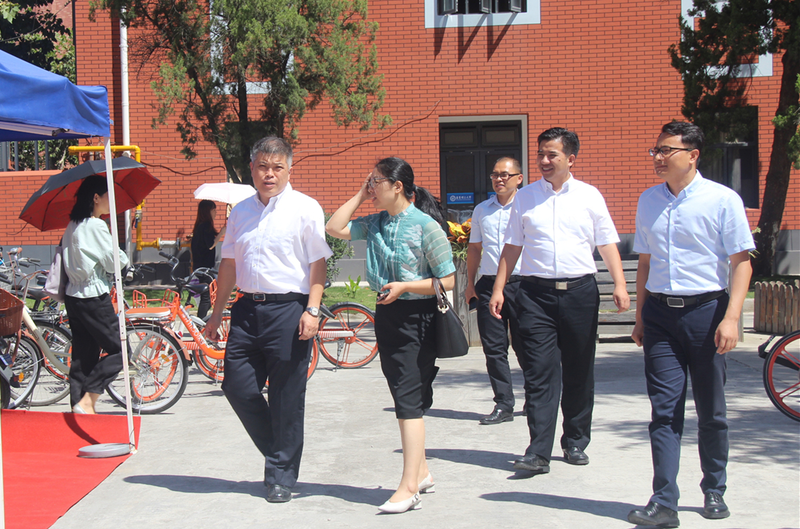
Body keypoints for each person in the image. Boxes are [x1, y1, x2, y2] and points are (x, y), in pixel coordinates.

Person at [627, 122, 754, 528]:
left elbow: (741, 263)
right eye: (656, 150)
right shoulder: (648, 200)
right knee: (664, 411)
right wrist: (641, 316)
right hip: (660, 317)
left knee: (711, 410)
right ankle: (664, 501)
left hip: (707, 314)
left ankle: (714, 488)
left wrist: (731, 318)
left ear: (693, 155)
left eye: (668, 150)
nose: (659, 157)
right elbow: (645, 263)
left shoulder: (722, 200)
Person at [489, 127, 630, 474]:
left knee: (579, 370)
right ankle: (538, 451)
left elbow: (606, 242)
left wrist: (620, 283)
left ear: (570, 158)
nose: (544, 160)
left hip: (580, 293)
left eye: (552, 154)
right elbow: (512, 245)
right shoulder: (525, 197)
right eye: (540, 154)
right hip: (535, 295)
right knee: (539, 372)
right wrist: (498, 288)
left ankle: (575, 440)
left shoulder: (589, 196)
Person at [203, 136, 331, 504]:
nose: (269, 174)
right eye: (262, 166)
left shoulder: (305, 208)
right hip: (246, 310)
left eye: (277, 167)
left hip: (289, 310)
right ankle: (280, 452)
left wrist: (312, 309)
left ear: (290, 169)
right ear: (252, 169)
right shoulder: (241, 211)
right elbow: (229, 264)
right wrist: (216, 313)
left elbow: (317, 263)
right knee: (237, 386)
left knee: (286, 396)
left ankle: (280, 477)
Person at [326, 157, 456, 514]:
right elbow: (334, 227)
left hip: (419, 317)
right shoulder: (375, 223)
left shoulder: (425, 226)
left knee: (408, 400)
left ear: (397, 186)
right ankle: (422, 472)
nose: (372, 187)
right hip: (388, 316)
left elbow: (448, 280)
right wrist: (360, 194)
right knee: (404, 395)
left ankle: (409, 487)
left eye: (377, 181)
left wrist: (406, 286)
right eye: (370, 181)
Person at [62, 175, 129, 414]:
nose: (113, 201)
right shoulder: (96, 226)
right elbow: (115, 262)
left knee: (83, 356)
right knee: (121, 352)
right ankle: (88, 401)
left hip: (73, 296)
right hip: (93, 297)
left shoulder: (72, 225)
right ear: (96, 198)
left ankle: (78, 408)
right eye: (109, 196)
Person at [465, 157, 524, 425]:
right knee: (494, 348)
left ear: (519, 178)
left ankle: (535, 399)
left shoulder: (528, 206)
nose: (499, 179)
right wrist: (470, 283)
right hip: (488, 285)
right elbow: (474, 248)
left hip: (523, 285)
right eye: (495, 175)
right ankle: (504, 404)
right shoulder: (482, 210)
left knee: (527, 346)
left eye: (505, 175)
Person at [190, 199, 224, 319]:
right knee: (208, 298)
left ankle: (201, 321)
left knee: (208, 296)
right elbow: (210, 245)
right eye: (214, 210)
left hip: (201, 267)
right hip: (204, 269)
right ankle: (200, 323)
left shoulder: (200, 226)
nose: (216, 213)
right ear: (207, 211)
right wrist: (222, 233)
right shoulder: (205, 226)